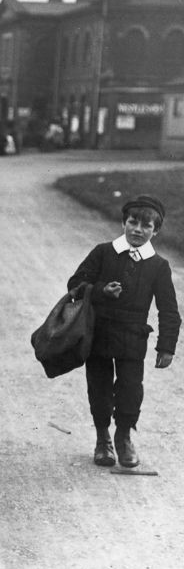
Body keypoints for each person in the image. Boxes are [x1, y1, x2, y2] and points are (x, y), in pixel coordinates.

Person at [66, 195, 179, 468]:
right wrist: (100, 290)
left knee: (131, 390)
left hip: (132, 336)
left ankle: (124, 436)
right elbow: (75, 284)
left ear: (157, 231)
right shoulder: (103, 252)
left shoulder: (158, 266)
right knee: (100, 387)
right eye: (133, 222)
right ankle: (102, 438)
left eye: (146, 226)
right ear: (123, 222)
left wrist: (166, 346)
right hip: (99, 333)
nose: (138, 230)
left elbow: (169, 310)